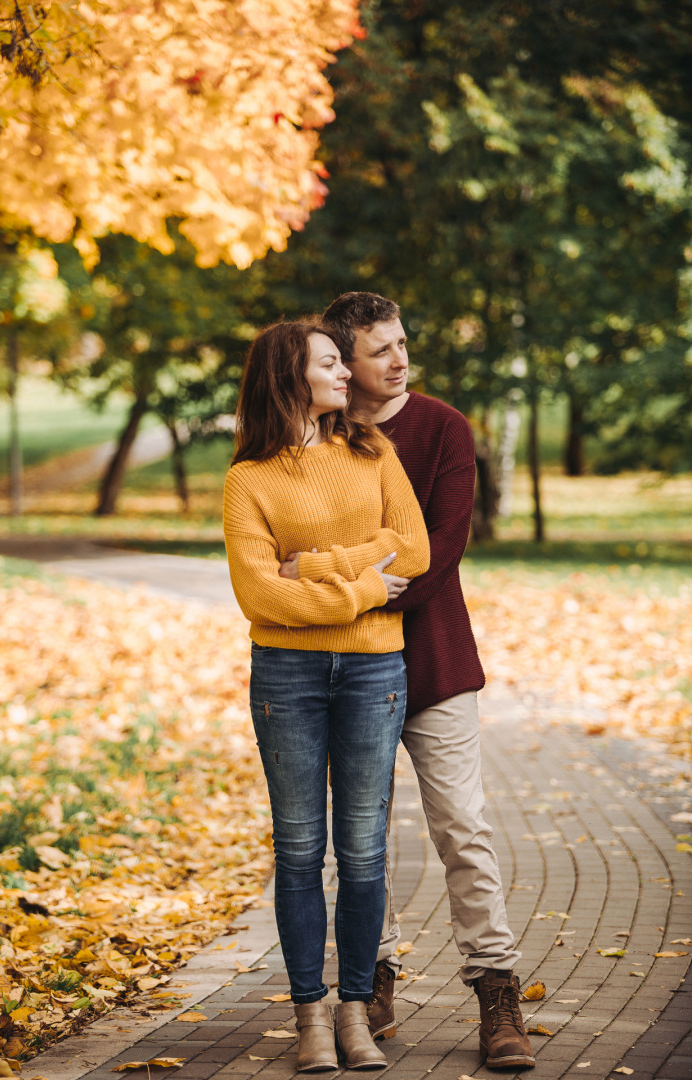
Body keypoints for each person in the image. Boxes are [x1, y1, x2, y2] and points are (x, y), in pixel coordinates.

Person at [321, 292, 536, 1071]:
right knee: (360, 838)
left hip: (435, 663)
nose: (400, 358)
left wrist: (351, 588)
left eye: (402, 343)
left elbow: (440, 548)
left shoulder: (445, 427)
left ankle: (496, 988)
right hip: (347, 665)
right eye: (381, 350)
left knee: (463, 829)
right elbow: (315, 537)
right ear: (345, 362)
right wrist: (343, 589)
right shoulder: (323, 435)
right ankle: (371, 983)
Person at [223, 320, 430, 1072]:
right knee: (300, 849)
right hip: (288, 675)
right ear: (289, 377)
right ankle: (309, 1018)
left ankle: (354, 1015)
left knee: (364, 852)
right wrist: (365, 587)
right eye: (331, 362)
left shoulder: (373, 452)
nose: (348, 373)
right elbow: (258, 594)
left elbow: (415, 548)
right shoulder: (248, 479)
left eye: (345, 360)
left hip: (375, 671)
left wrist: (313, 566)